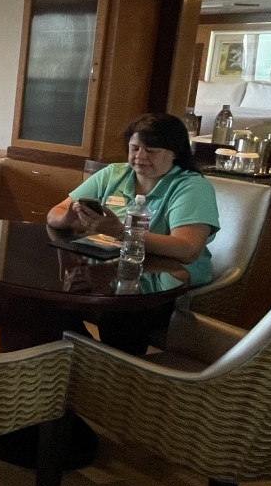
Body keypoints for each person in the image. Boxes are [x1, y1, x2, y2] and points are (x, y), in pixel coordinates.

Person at [48, 112, 221, 353]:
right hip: (114, 267)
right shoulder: (113, 174)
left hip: (167, 278)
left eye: (151, 150)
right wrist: (70, 217)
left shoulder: (191, 186)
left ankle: (116, 371)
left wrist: (122, 232)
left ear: (175, 153)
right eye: (135, 148)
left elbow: (187, 249)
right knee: (51, 302)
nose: (140, 156)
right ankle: (82, 358)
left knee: (119, 317)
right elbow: (54, 213)